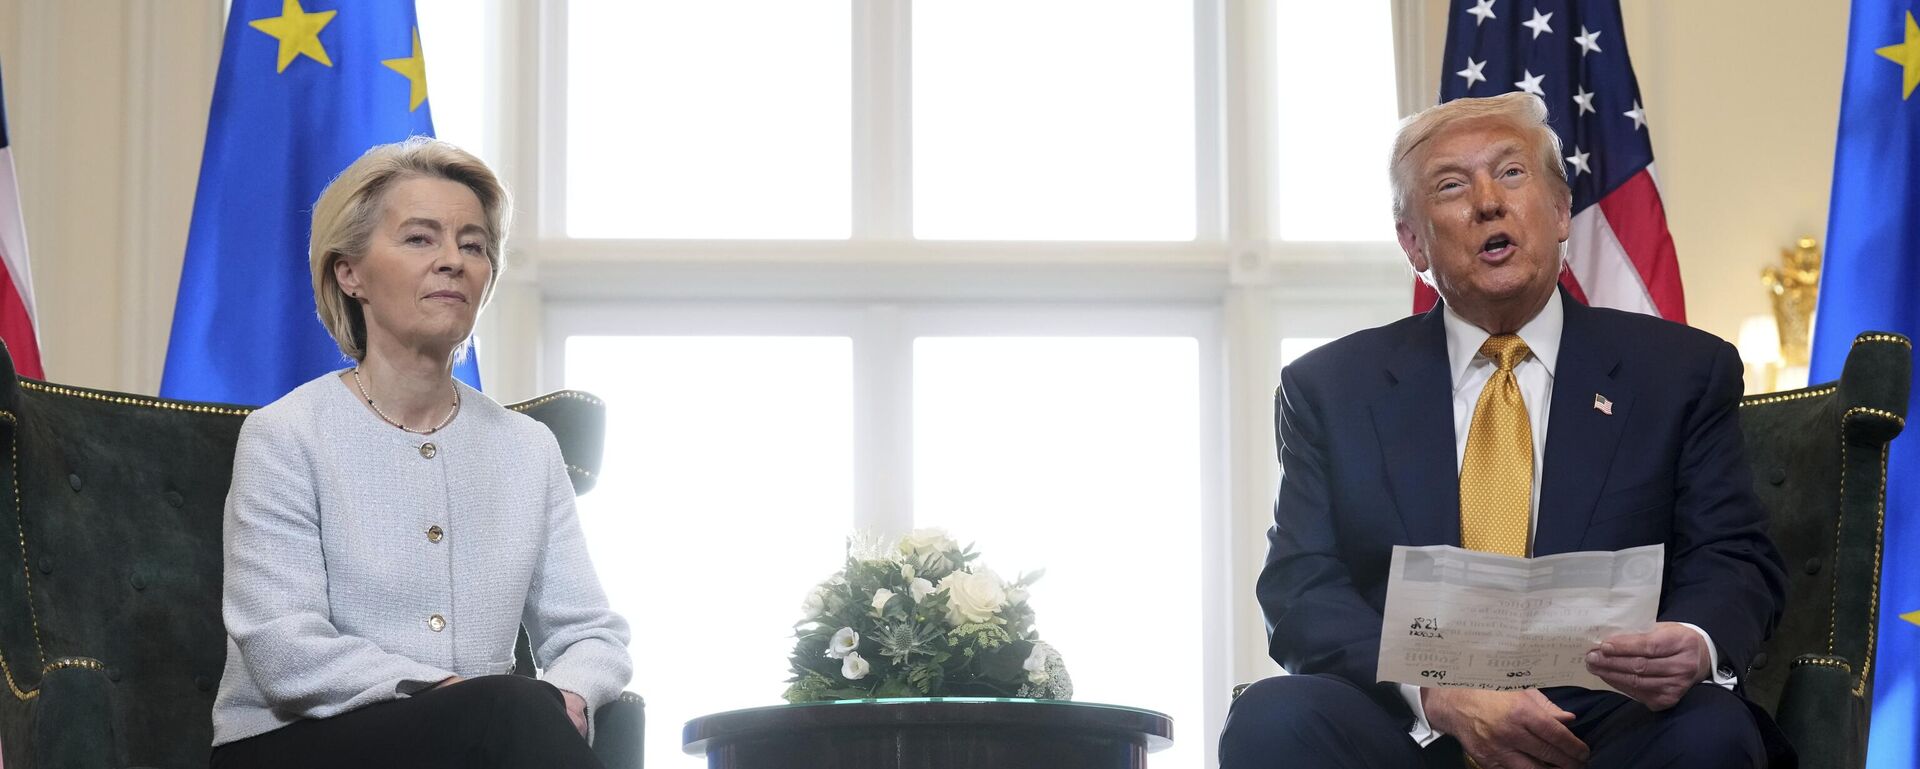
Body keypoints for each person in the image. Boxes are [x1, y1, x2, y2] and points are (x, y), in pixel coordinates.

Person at [1218, 92, 1788, 769]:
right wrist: (1439, 694)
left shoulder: (1682, 374)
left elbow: (1732, 554)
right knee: (1272, 718)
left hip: (1609, 723)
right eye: (1452, 185)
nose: (1488, 201)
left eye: (1512, 173)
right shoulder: (1332, 390)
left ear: (1560, 210)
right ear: (1412, 241)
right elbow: (1301, 584)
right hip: (1415, 732)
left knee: (1713, 732)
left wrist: (1693, 640)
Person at [209, 138, 632, 768]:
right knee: (509, 710)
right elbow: (283, 647)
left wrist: (569, 692)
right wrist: (444, 691)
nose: (453, 262)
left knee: (516, 712)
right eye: (419, 239)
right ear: (349, 273)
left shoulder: (527, 449)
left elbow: (592, 633)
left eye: (473, 244)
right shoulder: (286, 435)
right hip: (296, 746)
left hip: (483, 742)